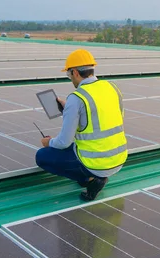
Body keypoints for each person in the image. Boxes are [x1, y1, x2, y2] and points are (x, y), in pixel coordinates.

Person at [35, 49, 128, 201]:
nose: (69, 78)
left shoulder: (77, 98)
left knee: (42, 156)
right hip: (118, 159)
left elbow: (64, 142)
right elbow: (107, 117)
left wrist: (48, 142)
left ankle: (90, 180)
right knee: (77, 148)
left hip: (94, 163)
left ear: (75, 73)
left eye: (68, 74)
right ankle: (95, 177)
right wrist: (70, 110)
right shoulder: (112, 88)